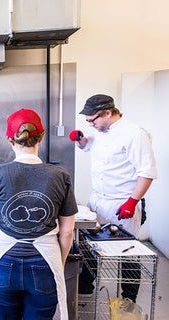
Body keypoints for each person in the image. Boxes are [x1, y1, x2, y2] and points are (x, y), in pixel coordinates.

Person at [0, 108, 77, 320]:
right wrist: (58, 262)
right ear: (41, 137)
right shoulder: (61, 175)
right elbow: (67, 232)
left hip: (4, 262)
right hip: (45, 263)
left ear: (10, 140)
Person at [70, 94, 157, 302]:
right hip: (99, 200)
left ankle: (128, 299)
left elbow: (147, 173)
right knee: (89, 246)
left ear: (108, 113)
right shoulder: (101, 130)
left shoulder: (134, 134)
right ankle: (85, 287)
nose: (91, 124)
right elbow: (88, 145)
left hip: (122, 203)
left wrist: (133, 201)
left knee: (127, 253)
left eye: (93, 120)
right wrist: (81, 140)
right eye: (88, 121)